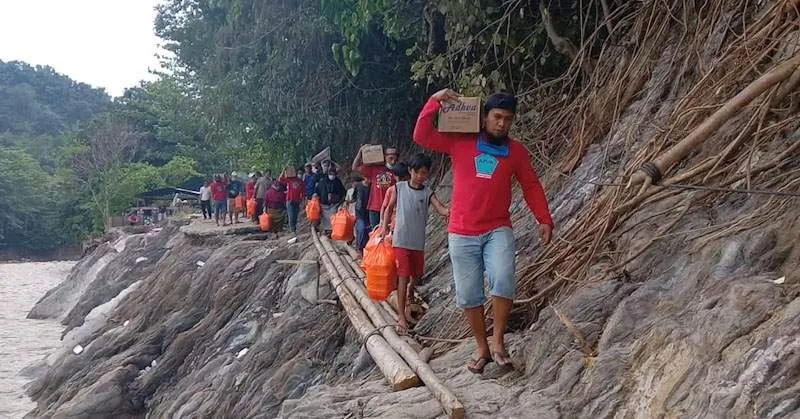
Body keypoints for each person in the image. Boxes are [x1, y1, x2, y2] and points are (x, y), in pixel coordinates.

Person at [413, 89, 554, 373]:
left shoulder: (516, 152)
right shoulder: (460, 141)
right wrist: (434, 101)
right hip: (461, 231)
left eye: (508, 119)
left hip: (497, 228)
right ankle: (482, 347)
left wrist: (544, 218)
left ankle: (498, 340)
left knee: (503, 278)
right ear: (485, 117)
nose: (502, 124)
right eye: (497, 117)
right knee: (468, 294)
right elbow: (422, 136)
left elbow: (531, 185)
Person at [380, 153, 448, 333]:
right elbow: (388, 209)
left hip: (418, 242)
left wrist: (453, 212)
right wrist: (384, 228)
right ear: (410, 171)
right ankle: (401, 316)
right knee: (403, 276)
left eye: (425, 173)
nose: (421, 176)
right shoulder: (399, 188)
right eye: (418, 172)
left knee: (416, 275)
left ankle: (410, 292)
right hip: (401, 240)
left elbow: (441, 209)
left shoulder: (427, 193)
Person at [352, 144, 399, 227]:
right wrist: (360, 152)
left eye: (395, 159)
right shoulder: (375, 169)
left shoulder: (399, 172)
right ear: (384, 157)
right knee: (375, 234)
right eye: (390, 158)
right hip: (374, 208)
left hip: (390, 209)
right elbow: (355, 167)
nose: (393, 161)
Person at [314, 166, 346, 235]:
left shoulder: (337, 181)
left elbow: (342, 191)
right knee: (325, 218)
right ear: (328, 174)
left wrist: (341, 199)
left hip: (334, 203)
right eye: (331, 174)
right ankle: (327, 230)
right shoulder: (322, 181)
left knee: (333, 216)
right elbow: (318, 190)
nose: (332, 175)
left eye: (333, 174)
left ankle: (333, 230)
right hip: (324, 203)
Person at [380, 162, 410, 230]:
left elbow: (385, 207)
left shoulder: (391, 190)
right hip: (394, 225)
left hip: (403, 224)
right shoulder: (391, 190)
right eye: (402, 179)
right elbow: (385, 207)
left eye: (405, 179)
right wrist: (382, 222)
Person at [279, 165, 305, 235]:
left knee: (295, 216)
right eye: (298, 172)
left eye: (300, 173)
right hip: (289, 200)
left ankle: (294, 229)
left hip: (297, 201)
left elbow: (303, 193)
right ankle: (292, 230)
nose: (299, 174)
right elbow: (280, 179)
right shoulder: (290, 180)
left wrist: (303, 202)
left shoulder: (301, 182)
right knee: (291, 216)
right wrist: (284, 170)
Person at [354, 176, 371, 256]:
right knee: (361, 229)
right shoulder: (359, 186)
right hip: (360, 213)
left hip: (369, 212)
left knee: (368, 231)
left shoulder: (372, 187)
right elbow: (355, 198)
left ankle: (366, 249)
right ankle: (359, 248)